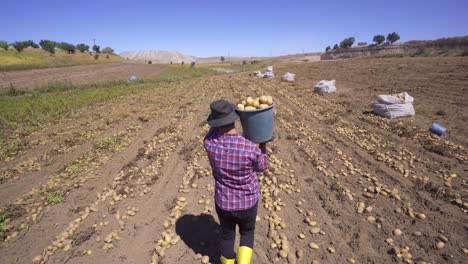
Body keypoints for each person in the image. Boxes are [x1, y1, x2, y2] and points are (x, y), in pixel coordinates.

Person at [204, 99, 268, 264]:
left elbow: (213, 130)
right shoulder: (249, 147)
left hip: (224, 201)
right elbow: (261, 166)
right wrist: (263, 146)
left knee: (227, 235)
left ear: (216, 123)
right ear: (235, 118)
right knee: (247, 233)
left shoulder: (210, 143)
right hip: (248, 201)